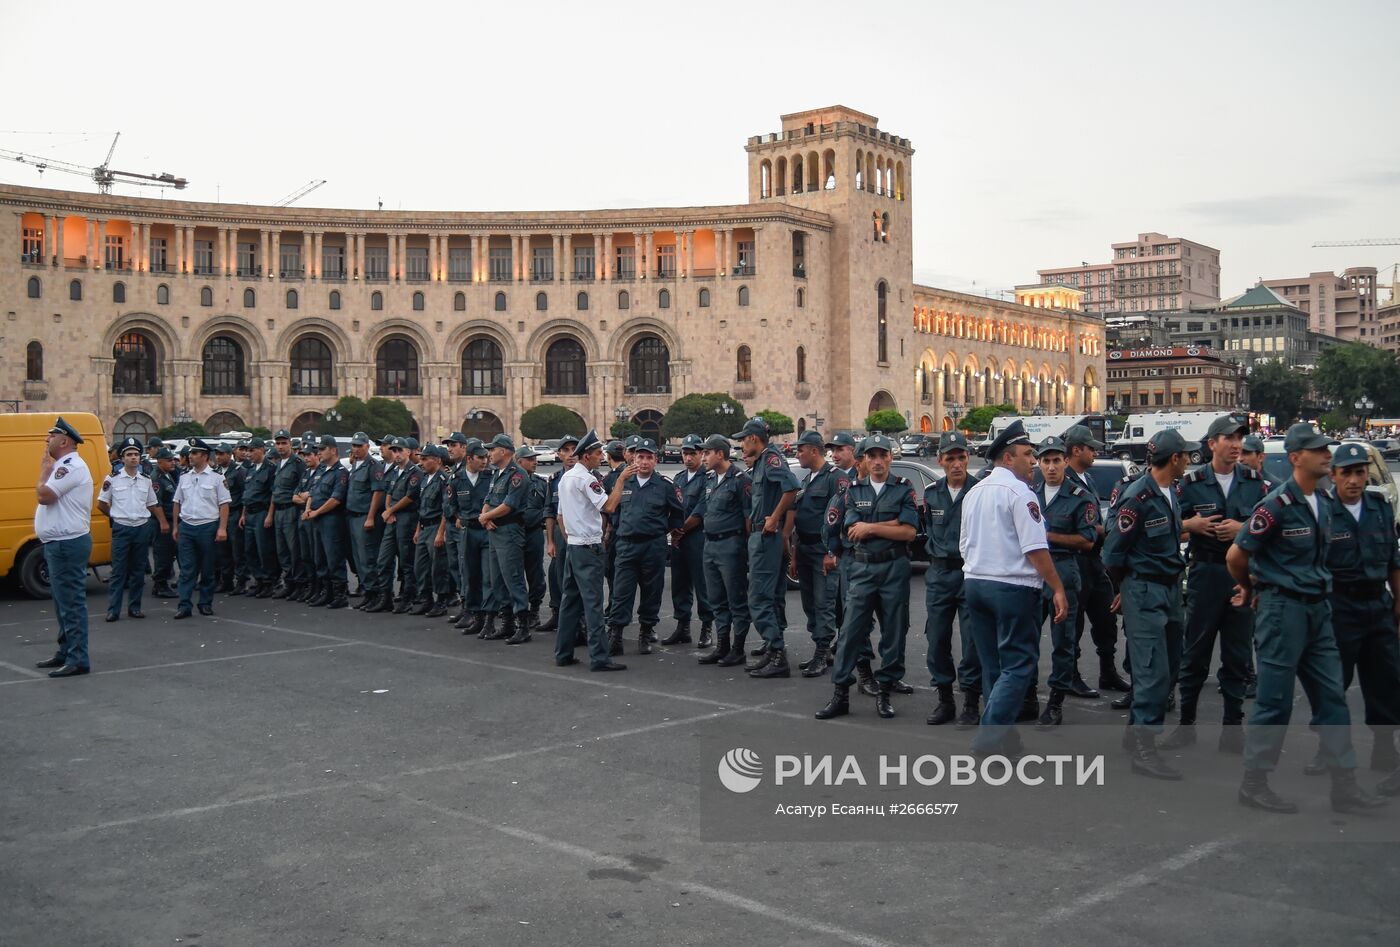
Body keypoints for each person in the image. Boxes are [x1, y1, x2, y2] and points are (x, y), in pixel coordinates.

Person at [1228, 423, 1386, 814]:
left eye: (1325, 448)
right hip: (1283, 611)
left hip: (1319, 609)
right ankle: (1254, 782)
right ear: (1297, 458)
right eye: (1317, 450)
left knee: (1333, 698)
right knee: (1274, 701)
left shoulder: (1327, 504)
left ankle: (1344, 785)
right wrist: (1249, 588)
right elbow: (1236, 555)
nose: (1326, 454)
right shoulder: (1277, 505)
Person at [957, 420, 1067, 756]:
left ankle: (1005, 739)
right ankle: (988, 737)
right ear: (1008, 458)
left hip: (976, 583)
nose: (1033, 461)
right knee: (1019, 663)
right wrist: (1057, 587)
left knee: (994, 665)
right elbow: (1035, 547)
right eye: (1028, 455)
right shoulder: (1020, 492)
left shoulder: (974, 491)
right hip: (1012, 588)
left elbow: (963, 544)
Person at [1161, 416, 1267, 753]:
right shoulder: (1191, 483)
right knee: (1194, 654)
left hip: (1241, 578)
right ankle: (1186, 725)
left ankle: (1232, 729)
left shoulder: (1254, 482)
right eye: (1228, 438)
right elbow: (1167, 529)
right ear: (1212, 444)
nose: (1236, 444)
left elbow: (1271, 526)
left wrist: (1244, 529)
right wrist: (1191, 525)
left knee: (1237, 656)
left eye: (1239, 438)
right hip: (1206, 573)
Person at [1308, 441, 1400, 781]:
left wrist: (1398, 607)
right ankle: (1326, 749)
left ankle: (1385, 745)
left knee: (1385, 681)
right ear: (1333, 476)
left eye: (1360, 472)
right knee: (1332, 683)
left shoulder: (1379, 507)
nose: (1354, 480)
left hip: (1378, 604)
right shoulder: (1323, 511)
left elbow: (1394, 560)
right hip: (1339, 607)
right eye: (1346, 473)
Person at [1101, 429, 1190, 778]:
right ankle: (1144, 748)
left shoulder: (1171, 492)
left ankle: (1134, 733)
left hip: (1169, 590)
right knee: (1152, 672)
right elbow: (1112, 553)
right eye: (1185, 455)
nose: (1188, 460)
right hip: (1145, 591)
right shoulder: (1138, 497)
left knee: (1169, 667)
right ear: (1174, 459)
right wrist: (1126, 588)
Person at [815, 434, 920, 720]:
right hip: (862, 569)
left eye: (882, 455)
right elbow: (851, 530)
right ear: (865, 460)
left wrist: (870, 528)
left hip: (893, 568)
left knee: (894, 633)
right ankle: (840, 694)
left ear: (890, 457)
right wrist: (892, 523)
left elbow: (910, 532)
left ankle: (885, 692)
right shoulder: (853, 490)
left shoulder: (903, 488)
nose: (876, 461)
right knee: (850, 632)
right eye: (871, 456)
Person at [1031, 436, 1098, 730]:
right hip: (1031, 574)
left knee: (1063, 641)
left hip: (1063, 570)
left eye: (1057, 460)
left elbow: (1087, 539)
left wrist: (1047, 537)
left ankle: (1055, 702)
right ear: (1039, 464)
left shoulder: (1078, 495)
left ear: (1066, 462)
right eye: (1046, 461)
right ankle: (1027, 696)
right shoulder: (1029, 494)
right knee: (1027, 638)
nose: (1051, 466)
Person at [921, 430, 982, 727]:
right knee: (936, 638)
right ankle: (945, 699)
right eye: (950, 458)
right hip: (940, 574)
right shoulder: (931, 493)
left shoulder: (981, 491)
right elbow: (927, 531)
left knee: (972, 640)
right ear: (940, 460)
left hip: (971, 572)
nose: (957, 463)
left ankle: (971, 701)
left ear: (968, 458)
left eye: (961, 457)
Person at [1063, 425, 1128, 696]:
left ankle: (1107, 671)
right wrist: (1105, 531)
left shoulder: (1085, 478)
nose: (1094, 452)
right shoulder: (1062, 480)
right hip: (1075, 559)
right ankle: (1071, 675)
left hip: (1093, 560)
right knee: (1073, 622)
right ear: (1076, 450)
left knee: (1105, 617)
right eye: (1091, 448)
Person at [604, 438, 685, 655]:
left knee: (652, 592)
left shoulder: (665, 485)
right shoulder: (623, 483)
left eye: (649, 457)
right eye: (640, 457)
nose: (644, 461)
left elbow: (678, 513)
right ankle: (616, 635)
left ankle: (645, 633)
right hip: (626, 545)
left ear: (656, 461)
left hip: (653, 546)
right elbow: (614, 513)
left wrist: (661, 531)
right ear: (633, 458)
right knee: (621, 592)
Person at [554, 430, 626, 672]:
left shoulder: (566, 478)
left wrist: (571, 537)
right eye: (597, 454)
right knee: (593, 603)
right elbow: (609, 505)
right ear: (586, 456)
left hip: (574, 545)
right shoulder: (587, 479)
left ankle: (563, 653)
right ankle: (600, 657)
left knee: (569, 602)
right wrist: (621, 481)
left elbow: (560, 516)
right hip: (588, 546)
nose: (601, 457)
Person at [734, 416, 799, 678]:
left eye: (743, 440)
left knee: (758, 599)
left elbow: (792, 487)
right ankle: (773, 652)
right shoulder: (762, 462)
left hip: (766, 537)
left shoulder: (771, 459)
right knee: (768, 597)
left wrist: (774, 517)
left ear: (753, 438)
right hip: (762, 537)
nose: (741, 445)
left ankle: (777, 652)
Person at [34, 418, 95, 678]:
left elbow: (44, 496)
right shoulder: (64, 465)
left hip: (67, 543)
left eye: (50, 436)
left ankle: (78, 658)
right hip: (58, 543)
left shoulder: (69, 466)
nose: (46, 440)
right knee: (62, 603)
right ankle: (66, 651)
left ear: (63, 441)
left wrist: (44, 472)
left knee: (71, 603)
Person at [692, 434, 752, 667]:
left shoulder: (740, 479)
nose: (703, 457)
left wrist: (744, 550)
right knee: (717, 599)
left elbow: (748, 517)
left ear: (720, 453)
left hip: (731, 545)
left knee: (736, 599)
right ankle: (722, 646)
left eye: (707, 452)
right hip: (710, 545)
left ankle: (738, 649)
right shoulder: (709, 479)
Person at [788, 430, 842, 676]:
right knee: (809, 604)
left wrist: (832, 552)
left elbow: (839, 519)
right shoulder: (808, 480)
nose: (797, 454)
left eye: (800, 450)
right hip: (805, 548)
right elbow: (801, 518)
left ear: (813, 450)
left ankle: (822, 652)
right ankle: (822, 649)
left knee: (824, 603)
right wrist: (795, 554)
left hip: (823, 551)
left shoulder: (835, 478)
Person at [97, 437, 168, 622]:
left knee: (138, 572)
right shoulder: (112, 479)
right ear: (122, 459)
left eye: (136, 454)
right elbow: (101, 504)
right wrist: (115, 515)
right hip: (122, 528)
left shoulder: (145, 480)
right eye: (129, 454)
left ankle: (134, 608)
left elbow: (152, 503)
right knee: (119, 571)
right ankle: (113, 610)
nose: (133, 458)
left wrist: (162, 521)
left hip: (141, 528)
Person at [478, 434, 533, 641]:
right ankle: (507, 622)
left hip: (509, 531)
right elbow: (489, 499)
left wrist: (485, 516)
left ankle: (523, 625)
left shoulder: (517, 475)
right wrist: (485, 517)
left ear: (504, 451)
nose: (489, 454)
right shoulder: (497, 473)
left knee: (513, 578)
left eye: (492, 450)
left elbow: (509, 505)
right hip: (495, 530)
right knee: (497, 580)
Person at [171, 438, 231, 620]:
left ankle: (205, 603)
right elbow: (177, 502)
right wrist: (175, 526)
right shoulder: (184, 477)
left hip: (208, 526)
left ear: (204, 456)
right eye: (190, 453)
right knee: (187, 569)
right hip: (188, 526)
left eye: (195, 453)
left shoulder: (217, 478)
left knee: (207, 569)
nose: (190, 456)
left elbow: (224, 504)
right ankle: (184, 605)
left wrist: (222, 528)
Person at [666, 434, 713, 648]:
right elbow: (672, 507)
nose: (688, 458)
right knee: (680, 583)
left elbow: (701, 511)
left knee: (702, 584)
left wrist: (679, 531)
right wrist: (673, 530)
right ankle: (682, 626)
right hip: (679, 539)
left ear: (701, 454)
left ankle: (706, 627)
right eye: (685, 453)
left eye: (692, 453)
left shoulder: (707, 478)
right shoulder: (678, 479)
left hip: (697, 537)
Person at [539, 434, 579, 635]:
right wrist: (550, 541)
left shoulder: (592, 478)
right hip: (560, 536)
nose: (571, 454)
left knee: (579, 579)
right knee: (557, 575)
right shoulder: (554, 479)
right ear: (559, 454)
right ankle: (558, 615)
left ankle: (579, 622)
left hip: (581, 533)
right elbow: (549, 512)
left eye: (574, 449)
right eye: (566, 450)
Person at [453, 441, 493, 633]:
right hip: (468, 530)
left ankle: (488, 616)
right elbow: (450, 504)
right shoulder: (457, 477)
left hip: (486, 530)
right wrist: (457, 518)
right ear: (469, 458)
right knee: (470, 574)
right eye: (480, 458)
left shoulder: (491, 476)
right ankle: (474, 613)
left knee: (487, 575)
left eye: (486, 457)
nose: (485, 461)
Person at [345, 432, 386, 607]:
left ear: (367, 447)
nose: (355, 449)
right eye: (353, 445)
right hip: (352, 516)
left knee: (368, 557)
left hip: (364, 517)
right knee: (358, 557)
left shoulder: (373, 465)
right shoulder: (355, 464)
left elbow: (377, 492)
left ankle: (375, 593)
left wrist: (370, 517)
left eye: (359, 446)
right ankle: (367, 592)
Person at [411, 444, 452, 616]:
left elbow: (445, 509)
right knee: (420, 566)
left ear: (436, 460)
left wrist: (441, 532)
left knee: (438, 567)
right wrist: (417, 530)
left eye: (425, 459)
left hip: (436, 526)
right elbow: (421, 507)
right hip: (424, 526)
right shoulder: (424, 479)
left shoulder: (443, 480)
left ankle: (441, 601)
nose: (421, 462)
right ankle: (426, 599)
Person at [269, 430, 307, 599]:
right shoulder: (279, 463)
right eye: (278, 443)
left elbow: (303, 486)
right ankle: (289, 583)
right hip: (279, 511)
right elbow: (275, 491)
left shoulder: (297, 462)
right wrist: (270, 514)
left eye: (284, 443)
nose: (281, 446)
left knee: (294, 550)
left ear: (290, 444)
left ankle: (300, 585)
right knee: (282, 550)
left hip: (292, 510)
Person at [516, 445, 550, 633]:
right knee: (515, 574)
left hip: (534, 533)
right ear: (519, 462)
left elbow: (546, 508)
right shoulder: (510, 480)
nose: (535, 462)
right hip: (515, 532)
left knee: (535, 573)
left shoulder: (541, 483)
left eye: (535, 458)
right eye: (530, 459)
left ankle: (534, 610)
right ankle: (518, 611)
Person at [239, 438, 277, 597]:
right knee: (250, 550)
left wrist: (269, 515)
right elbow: (247, 494)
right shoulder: (251, 469)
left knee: (264, 550)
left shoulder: (270, 469)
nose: (249, 453)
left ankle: (268, 582)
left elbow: (273, 494)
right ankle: (259, 580)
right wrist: (243, 514)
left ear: (262, 450)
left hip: (262, 512)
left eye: (252, 450)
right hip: (250, 513)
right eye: (248, 450)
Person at [290, 437, 324, 603]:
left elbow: (316, 494)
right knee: (305, 555)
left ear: (317, 455)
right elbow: (295, 496)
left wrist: (307, 496)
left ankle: (320, 588)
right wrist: (305, 497)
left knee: (316, 555)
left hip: (314, 518)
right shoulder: (305, 473)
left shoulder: (323, 471)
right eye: (304, 455)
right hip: (302, 517)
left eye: (309, 455)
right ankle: (311, 587)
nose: (306, 458)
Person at [150, 449, 180, 598]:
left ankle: (161, 583)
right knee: (163, 554)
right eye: (169, 460)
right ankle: (160, 584)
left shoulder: (168, 475)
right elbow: (156, 503)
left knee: (169, 553)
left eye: (173, 460)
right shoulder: (157, 478)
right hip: (162, 521)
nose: (172, 462)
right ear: (159, 461)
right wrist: (163, 522)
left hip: (170, 519)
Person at [220, 441, 248, 594]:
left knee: (237, 549)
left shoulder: (239, 471)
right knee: (223, 550)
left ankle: (241, 581)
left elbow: (245, 494)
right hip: (220, 514)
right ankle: (227, 580)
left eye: (221, 454)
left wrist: (243, 514)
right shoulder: (216, 471)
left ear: (229, 454)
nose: (218, 457)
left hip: (235, 512)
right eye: (216, 454)